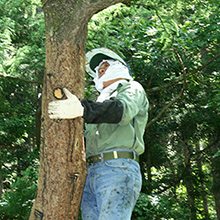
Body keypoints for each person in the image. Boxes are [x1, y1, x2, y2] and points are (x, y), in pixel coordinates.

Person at [48, 47, 149, 220]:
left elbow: (121, 111)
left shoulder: (132, 87)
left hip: (118, 167)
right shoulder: (100, 102)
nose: (100, 71)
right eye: (97, 70)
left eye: (105, 66)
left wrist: (82, 109)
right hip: (92, 172)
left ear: (120, 67)